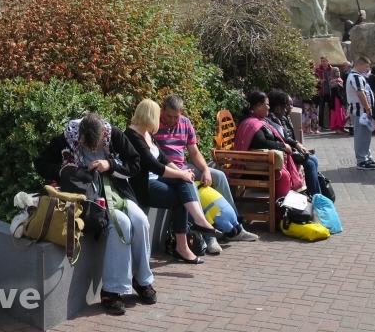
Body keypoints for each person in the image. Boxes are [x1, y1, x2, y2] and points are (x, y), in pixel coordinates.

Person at [36, 113, 155, 316]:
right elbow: (41, 163)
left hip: (118, 191)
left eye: (96, 144)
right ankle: (111, 290)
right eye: (86, 144)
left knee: (141, 220)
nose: (91, 149)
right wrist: (62, 169)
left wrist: (110, 165)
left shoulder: (114, 135)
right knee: (122, 225)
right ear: (80, 135)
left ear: (102, 135)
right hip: (89, 197)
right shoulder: (66, 137)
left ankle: (142, 280)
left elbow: (134, 163)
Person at [154, 95, 259, 252]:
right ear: (162, 110)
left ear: (181, 112)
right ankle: (210, 238)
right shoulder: (154, 123)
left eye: (176, 116)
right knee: (191, 185)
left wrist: (204, 170)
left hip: (183, 166)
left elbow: (194, 152)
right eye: (169, 116)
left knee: (219, 176)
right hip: (166, 170)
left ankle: (236, 228)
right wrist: (181, 172)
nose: (172, 120)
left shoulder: (185, 123)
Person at [124, 99, 220, 264]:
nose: (160, 120)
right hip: (143, 186)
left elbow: (163, 158)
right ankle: (183, 245)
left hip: (157, 179)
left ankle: (198, 223)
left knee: (185, 181)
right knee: (181, 195)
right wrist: (180, 174)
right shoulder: (132, 136)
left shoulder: (147, 134)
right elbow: (154, 165)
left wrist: (181, 172)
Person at [233, 90, 306, 198]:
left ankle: (298, 204)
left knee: (300, 164)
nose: (268, 107)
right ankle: (279, 211)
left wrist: (293, 144)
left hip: (263, 163)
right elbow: (260, 143)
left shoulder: (258, 120)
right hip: (253, 167)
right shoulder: (251, 123)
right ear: (258, 105)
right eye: (267, 104)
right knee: (283, 175)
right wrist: (282, 146)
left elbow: (277, 137)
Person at [266, 89, 321, 195]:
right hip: (280, 155)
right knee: (309, 164)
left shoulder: (278, 118)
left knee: (313, 160)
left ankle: (315, 194)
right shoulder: (271, 120)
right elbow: (279, 139)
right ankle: (315, 196)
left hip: (285, 151)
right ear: (278, 108)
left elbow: (285, 137)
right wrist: (296, 146)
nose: (287, 109)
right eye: (285, 106)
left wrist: (297, 145)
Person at [346, 56, 375, 169]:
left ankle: (367, 157)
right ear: (360, 65)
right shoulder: (355, 77)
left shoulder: (358, 76)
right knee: (361, 135)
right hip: (360, 110)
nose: (368, 69)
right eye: (366, 66)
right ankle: (361, 160)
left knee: (366, 135)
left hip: (363, 110)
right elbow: (360, 93)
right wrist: (368, 108)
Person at [328, 67, 348, 133]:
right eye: (336, 72)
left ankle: (342, 127)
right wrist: (341, 98)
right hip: (336, 99)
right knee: (338, 113)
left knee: (342, 113)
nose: (338, 73)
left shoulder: (340, 80)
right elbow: (335, 92)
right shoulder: (332, 81)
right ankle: (337, 128)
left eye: (339, 71)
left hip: (340, 99)